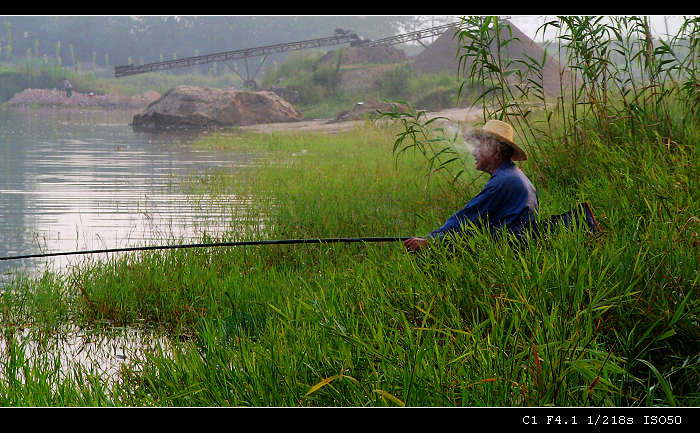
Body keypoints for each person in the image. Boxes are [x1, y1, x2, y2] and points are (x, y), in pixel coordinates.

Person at [404, 119, 539, 252]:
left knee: (430, 251)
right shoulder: (511, 175)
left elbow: (467, 220)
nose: (474, 152)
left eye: (479, 146)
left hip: (510, 252)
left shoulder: (503, 181)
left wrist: (430, 240)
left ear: (496, 150)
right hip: (516, 247)